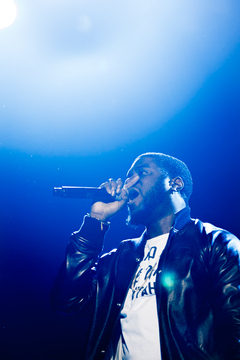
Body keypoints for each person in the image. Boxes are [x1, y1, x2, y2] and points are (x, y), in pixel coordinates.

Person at [50, 152, 240, 360]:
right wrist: (96, 220)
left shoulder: (216, 244)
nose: (129, 184)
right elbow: (67, 302)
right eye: (128, 177)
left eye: (142, 173)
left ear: (175, 183)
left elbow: (236, 332)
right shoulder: (121, 258)